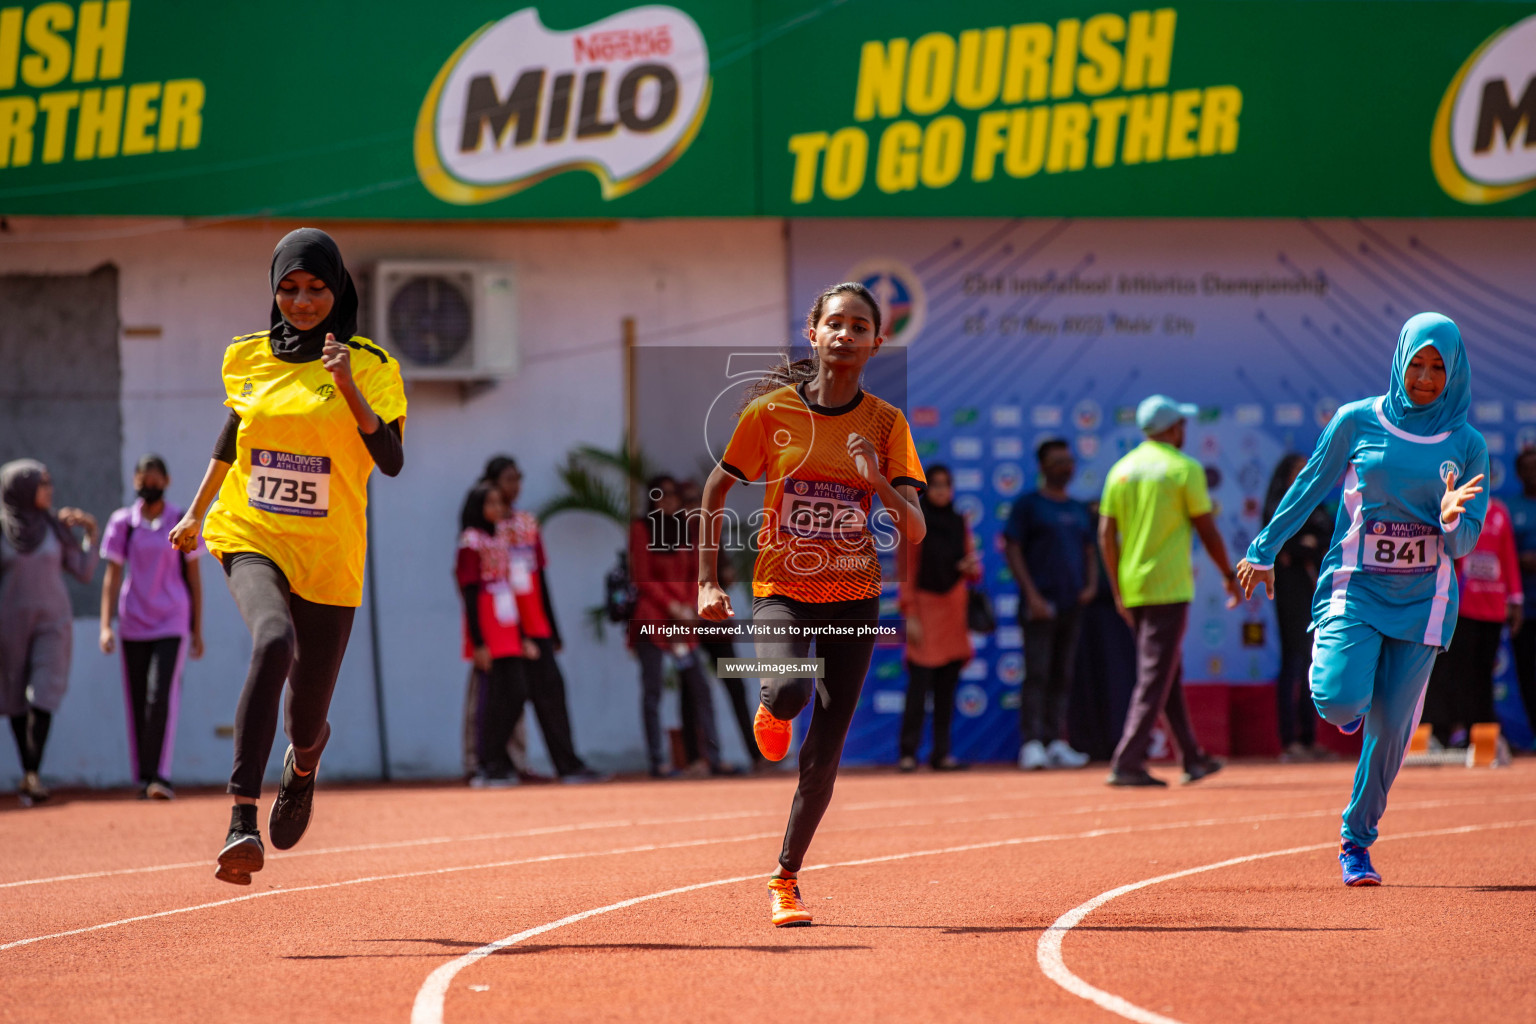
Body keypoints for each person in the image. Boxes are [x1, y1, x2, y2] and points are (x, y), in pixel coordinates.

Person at [170, 228, 407, 885]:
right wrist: (196, 510)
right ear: (274, 290)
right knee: (272, 640)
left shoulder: (372, 365)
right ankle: (241, 819)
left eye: (316, 288)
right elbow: (232, 435)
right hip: (253, 533)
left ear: (338, 290)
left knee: (306, 713)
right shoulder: (246, 356)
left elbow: (390, 461)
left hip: (330, 554)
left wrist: (347, 388)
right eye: (289, 288)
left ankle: (303, 763)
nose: (302, 301)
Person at [698, 281, 927, 927]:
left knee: (825, 752)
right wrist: (707, 583)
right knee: (794, 693)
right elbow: (714, 492)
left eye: (860, 326)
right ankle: (772, 705)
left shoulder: (886, 425)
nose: (846, 334)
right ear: (814, 332)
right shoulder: (771, 413)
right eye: (836, 323)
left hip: (856, 596)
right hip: (782, 589)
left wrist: (876, 478)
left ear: (876, 343)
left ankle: (785, 877)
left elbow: (914, 529)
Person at [1238, 313, 1487, 887]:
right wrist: (1263, 549)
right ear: (1400, 360)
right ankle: (1353, 689)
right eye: (1416, 364)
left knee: (1391, 730)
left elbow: (1464, 542)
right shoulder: (1359, 420)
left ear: (1455, 373)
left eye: (1437, 369)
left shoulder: (1468, 445)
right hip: (1356, 586)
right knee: (1339, 703)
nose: (1425, 378)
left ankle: (1357, 841)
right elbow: (1309, 485)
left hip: (1425, 601)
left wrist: (1450, 520)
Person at [1099, 395, 1238, 787]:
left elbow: (1106, 535)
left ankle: (1192, 757)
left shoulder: (1121, 470)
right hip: (1169, 586)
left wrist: (1117, 589)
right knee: (1154, 675)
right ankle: (1127, 760)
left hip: (1134, 585)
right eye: (1182, 425)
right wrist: (1229, 573)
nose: (1185, 432)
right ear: (1173, 429)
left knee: (1164, 673)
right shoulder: (1183, 469)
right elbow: (1207, 529)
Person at [476, 456, 603, 783]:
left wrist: (554, 629)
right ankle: (491, 766)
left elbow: (540, 578)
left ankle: (568, 765)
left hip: (538, 625)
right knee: (506, 698)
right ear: (491, 483)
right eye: (507, 479)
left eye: (518, 478)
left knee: (552, 693)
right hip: (506, 630)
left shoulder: (528, 523)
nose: (514, 486)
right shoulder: (486, 528)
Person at [99, 455, 206, 800]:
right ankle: (144, 776)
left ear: (167, 481)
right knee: (137, 699)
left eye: (157, 478)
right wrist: (105, 626)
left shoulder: (179, 519)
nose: (151, 484)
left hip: (172, 620)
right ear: (135, 482)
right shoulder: (122, 523)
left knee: (161, 695)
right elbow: (112, 577)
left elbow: (194, 577)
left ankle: (161, 775)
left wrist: (196, 629)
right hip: (133, 621)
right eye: (145, 479)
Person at [1, 460, 99, 807]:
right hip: (9, 625)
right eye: (42, 483)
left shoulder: (54, 527)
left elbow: (84, 570)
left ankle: (32, 772)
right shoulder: (4, 528)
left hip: (53, 623)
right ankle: (30, 774)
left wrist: (90, 530)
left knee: (43, 692)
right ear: (21, 489)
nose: (49, 489)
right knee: (12, 696)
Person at [1004, 439, 1096, 770]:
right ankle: (1032, 744)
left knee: (1062, 674)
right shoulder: (1028, 505)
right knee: (1038, 673)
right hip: (1040, 604)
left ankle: (1055, 740)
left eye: (1069, 461)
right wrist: (1032, 596)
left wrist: (1091, 585)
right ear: (1042, 467)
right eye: (1057, 461)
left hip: (1072, 603)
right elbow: (1012, 549)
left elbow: (1088, 550)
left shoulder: (1077, 508)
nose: (1065, 467)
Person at [630, 475, 724, 778]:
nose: (668, 500)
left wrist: (687, 606)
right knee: (653, 691)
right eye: (662, 495)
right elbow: (642, 576)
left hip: (682, 622)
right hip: (653, 620)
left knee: (700, 687)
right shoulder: (641, 528)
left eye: (673, 495)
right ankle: (658, 760)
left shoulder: (685, 530)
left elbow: (695, 572)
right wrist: (672, 606)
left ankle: (714, 757)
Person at [456, 482, 539, 787]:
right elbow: (468, 591)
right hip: (486, 623)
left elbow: (511, 588)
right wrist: (478, 642)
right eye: (489, 503)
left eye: (498, 503)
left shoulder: (502, 538)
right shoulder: (471, 540)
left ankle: (497, 757)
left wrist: (523, 635)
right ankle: (483, 764)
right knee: (488, 699)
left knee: (517, 692)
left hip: (508, 623)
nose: (496, 508)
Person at [897, 465, 979, 771]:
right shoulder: (915, 524)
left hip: (953, 611)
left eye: (947, 484)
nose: (942, 490)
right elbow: (906, 572)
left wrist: (970, 568)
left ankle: (941, 754)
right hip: (925, 611)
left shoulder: (960, 521)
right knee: (919, 690)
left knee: (947, 690)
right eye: (936, 485)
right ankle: (908, 754)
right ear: (924, 490)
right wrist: (911, 615)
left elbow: (973, 569)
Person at [679, 477, 765, 771]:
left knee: (735, 687)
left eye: (696, 500)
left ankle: (755, 755)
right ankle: (696, 760)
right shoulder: (674, 536)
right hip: (687, 623)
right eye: (688, 501)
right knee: (690, 691)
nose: (693, 506)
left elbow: (726, 572)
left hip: (713, 622)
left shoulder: (709, 532)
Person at [1423, 496, 1521, 747]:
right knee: (1456, 671)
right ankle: (1451, 731)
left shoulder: (1499, 511)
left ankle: (1482, 732)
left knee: (1483, 673)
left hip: (1493, 606)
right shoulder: (1456, 508)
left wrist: (1516, 599)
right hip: (1461, 605)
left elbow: (1507, 555)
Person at [1261, 453, 1336, 762]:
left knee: (1311, 661)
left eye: (1307, 468)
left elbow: (1327, 536)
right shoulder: (1278, 504)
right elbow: (1279, 542)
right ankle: (1289, 740)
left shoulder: (1313, 501)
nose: (1303, 473)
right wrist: (1300, 547)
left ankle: (1309, 739)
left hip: (1313, 589)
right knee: (1293, 661)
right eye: (1297, 469)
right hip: (1289, 591)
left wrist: (1306, 547)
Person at [1507, 448, 1536, 748]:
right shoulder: (1509, 507)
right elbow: (1501, 553)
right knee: (1527, 673)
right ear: (1518, 473)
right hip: (1525, 608)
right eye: (1527, 468)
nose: (1533, 473)